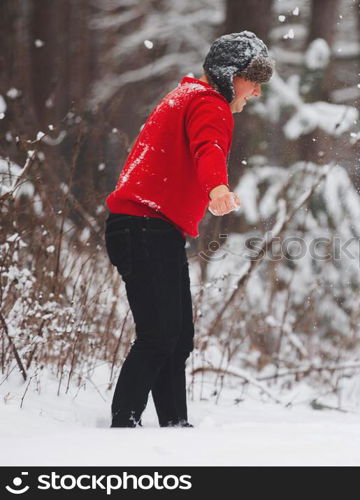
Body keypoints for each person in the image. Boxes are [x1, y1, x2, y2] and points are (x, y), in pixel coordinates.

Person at [103, 31, 274, 428]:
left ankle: (175, 426)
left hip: (147, 229)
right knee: (160, 336)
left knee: (175, 340)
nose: (257, 92)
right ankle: (122, 425)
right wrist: (216, 186)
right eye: (254, 80)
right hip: (144, 227)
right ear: (230, 75)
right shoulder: (209, 104)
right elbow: (208, 147)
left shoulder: (185, 96)